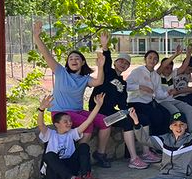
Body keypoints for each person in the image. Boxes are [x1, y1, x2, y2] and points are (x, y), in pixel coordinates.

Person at [32, 21, 107, 158]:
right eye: (70, 58)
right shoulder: (60, 71)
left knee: (105, 121)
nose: (73, 60)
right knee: (88, 126)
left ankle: (100, 154)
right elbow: (46, 54)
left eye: (77, 58)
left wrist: (101, 65)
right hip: (60, 112)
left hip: (77, 111)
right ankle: (77, 157)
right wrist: (37, 37)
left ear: (83, 62)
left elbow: (99, 81)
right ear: (67, 62)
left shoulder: (85, 78)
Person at [88, 31, 149, 168]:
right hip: (98, 111)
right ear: (115, 63)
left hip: (110, 112)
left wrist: (129, 111)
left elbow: (122, 103)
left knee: (139, 118)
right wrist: (105, 46)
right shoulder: (107, 73)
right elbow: (106, 61)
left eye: (126, 63)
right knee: (127, 123)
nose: (123, 64)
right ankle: (133, 158)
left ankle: (145, 152)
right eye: (121, 61)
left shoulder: (123, 83)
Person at [37, 92, 104, 179]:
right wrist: (41, 109)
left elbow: (88, 121)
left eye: (70, 121)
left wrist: (98, 106)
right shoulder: (50, 134)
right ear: (56, 124)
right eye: (65, 122)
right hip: (53, 173)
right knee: (49, 155)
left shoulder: (72, 133)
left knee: (84, 146)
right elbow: (40, 124)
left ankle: (86, 175)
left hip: (70, 167)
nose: (69, 123)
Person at [126, 50, 172, 161]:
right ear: (145, 59)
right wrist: (140, 87)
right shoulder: (137, 71)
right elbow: (126, 85)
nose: (152, 60)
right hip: (135, 102)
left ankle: (160, 145)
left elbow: (159, 93)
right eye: (150, 57)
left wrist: (168, 93)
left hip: (148, 102)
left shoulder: (156, 76)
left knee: (166, 115)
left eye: (155, 58)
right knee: (155, 116)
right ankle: (148, 150)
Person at [156, 46, 192, 126]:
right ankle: (177, 134)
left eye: (170, 68)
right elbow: (162, 66)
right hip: (161, 101)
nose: (168, 70)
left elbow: (183, 67)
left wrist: (188, 55)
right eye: (166, 68)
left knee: (190, 109)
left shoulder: (172, 74)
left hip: (172, 100)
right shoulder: (157, 74)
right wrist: (175, 54)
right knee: (176, 113)